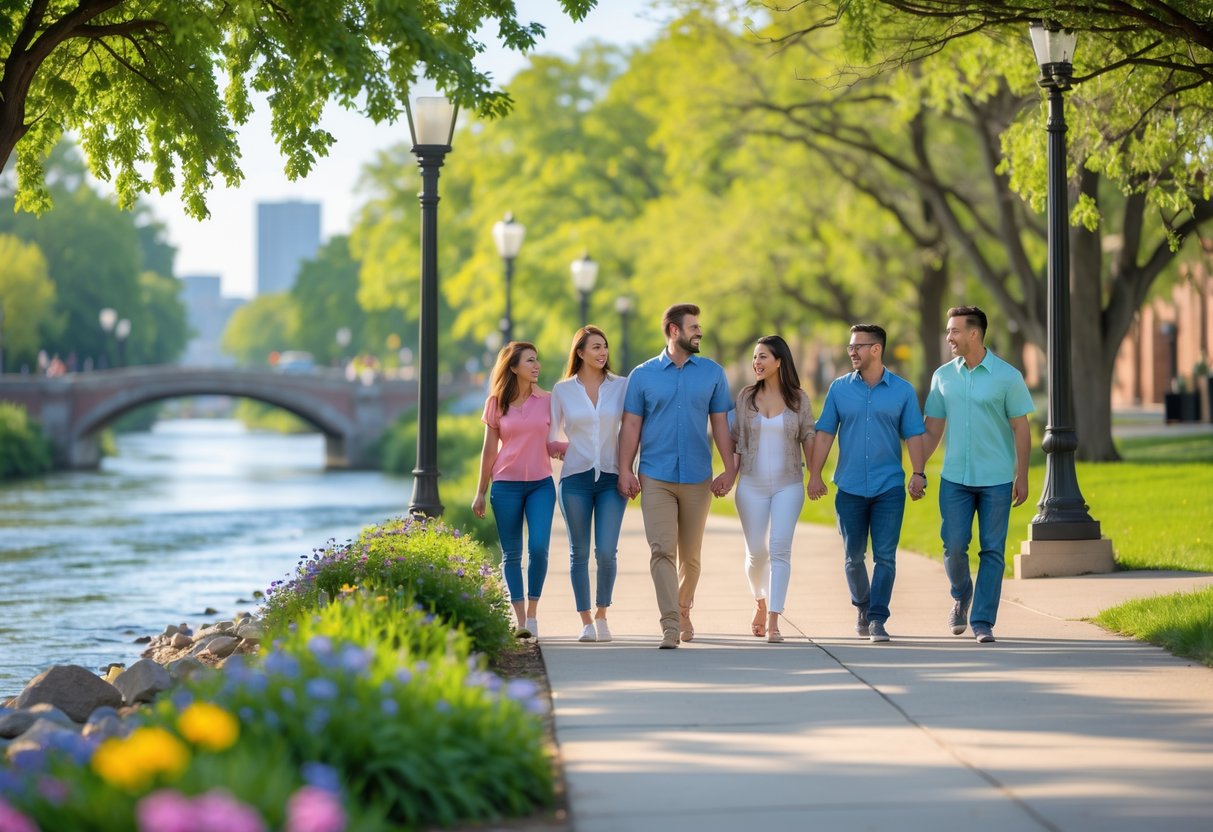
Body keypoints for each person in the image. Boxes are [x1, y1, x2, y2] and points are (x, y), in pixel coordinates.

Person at [618, 303, 736, 649]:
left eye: (699, 327)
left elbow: (720, 426)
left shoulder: (713, 373)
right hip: (655, 475)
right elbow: (632, 426)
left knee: (692, 558)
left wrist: (729, 469)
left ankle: (683, 608)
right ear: (673, 331)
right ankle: (670, 624)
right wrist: (625, 468)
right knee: (661, 550)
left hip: (698, 476)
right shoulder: (643, 375)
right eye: (693, 327)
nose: (699, 332)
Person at [807, 325, 926, 643]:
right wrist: (815, 474)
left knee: (885, 556)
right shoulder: (838, 389)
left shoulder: (902, 391)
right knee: (853, 556)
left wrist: (918, 472)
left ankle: (877, 618)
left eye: (858, 346)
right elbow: (824, 434)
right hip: (849, 487)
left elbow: (914, 433)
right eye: (850, 347)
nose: (852, 352)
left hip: (889, 487)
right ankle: (862, 604)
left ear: (876, 349)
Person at [923, 306, 1033, 644]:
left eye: (954, 330)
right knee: (954, 546)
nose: (949, 337)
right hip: (954, 478)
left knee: (993, 551)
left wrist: (1023, 475)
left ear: (974, 333)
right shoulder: (942, 376)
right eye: (947, 330)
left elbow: (1021, 428)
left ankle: (983, 620)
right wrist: (916, 470)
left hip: (997, 479)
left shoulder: (1007, 376)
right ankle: (961, 594)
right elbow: (932, 430)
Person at [729, 335, 817, 644]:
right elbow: (736, 441)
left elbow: (809, 437)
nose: (757, 362)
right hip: (750, 485)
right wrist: (728, 475)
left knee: (780, 549)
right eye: (755, 357)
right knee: (757, 553)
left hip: (788, 484)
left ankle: (774, 620)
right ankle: (760, 602)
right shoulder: (745, 398)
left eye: (763, 356)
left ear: (779, 361)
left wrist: (815, 475)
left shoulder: (799, 400)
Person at [549, 326, 629, 643]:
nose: (602, 352)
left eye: (605, 347)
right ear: (580, 353)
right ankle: (585, 621)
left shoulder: (622, 387)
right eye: (595, 347)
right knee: (578, 552)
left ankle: (602, 614)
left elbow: (632, 428)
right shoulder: (563, 390)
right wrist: (566, 450)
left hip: (611, 477)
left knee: (607, 552)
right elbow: (551, 436)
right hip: (575, 479)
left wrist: (630, 468)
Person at [472, 342, 556, 640]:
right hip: (505, 485)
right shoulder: (496, 403)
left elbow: (559, 437)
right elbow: (488, 450)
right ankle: (521, 620)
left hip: (541, 485)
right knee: (511, 553)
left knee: (538, 548)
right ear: (513, 366)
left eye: (537, 360)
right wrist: (480, 491)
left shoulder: (548, 400)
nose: (537, 366)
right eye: (530, 361)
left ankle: (533, 613)